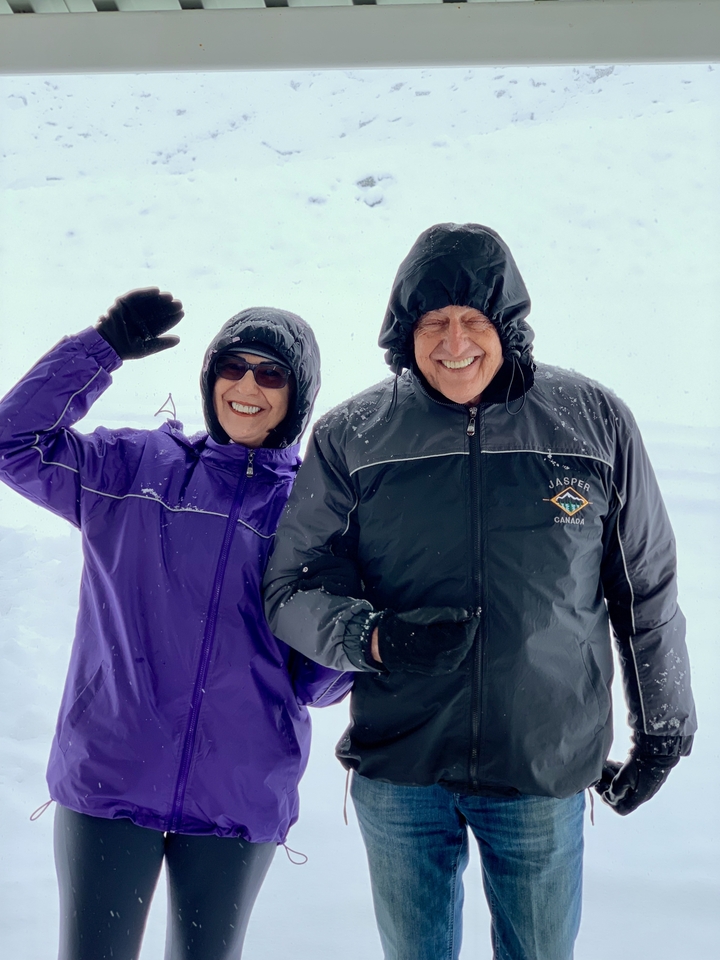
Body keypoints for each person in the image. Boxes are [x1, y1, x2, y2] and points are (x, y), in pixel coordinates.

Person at [263, 223, 697, 960]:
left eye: (474, 319)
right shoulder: (353, 436)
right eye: (433, 321)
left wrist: (664, 727)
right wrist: (372, 636)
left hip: (542, 764)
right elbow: (292, 586)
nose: (454, 340)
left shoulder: (591, 422)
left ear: (509, 326)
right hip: (402, 766)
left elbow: (644, 587)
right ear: (405, 333)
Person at [0, 288, 351, 960]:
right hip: (110, 777)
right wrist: (100, 349)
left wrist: (361, 627)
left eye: (271, 373)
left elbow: (316, 683)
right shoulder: (134, 471)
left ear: (298, 395)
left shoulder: (314, 516)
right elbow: (12, 442)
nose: (247, 386)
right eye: (232, 366)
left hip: (237, 795)